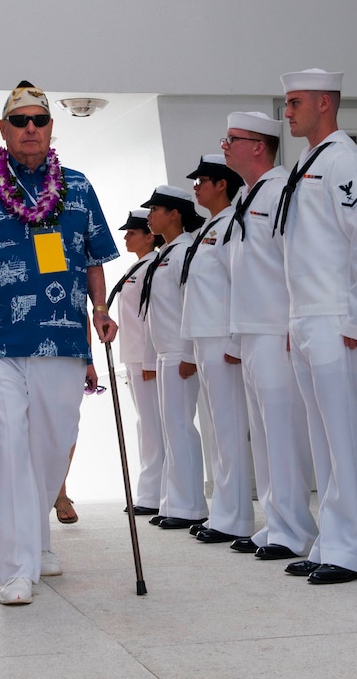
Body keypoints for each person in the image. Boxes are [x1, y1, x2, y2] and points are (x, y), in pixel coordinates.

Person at [0, 80, 119, 606]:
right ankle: (16, 568)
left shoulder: (78, 186)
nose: (31, 128)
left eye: (40, 119)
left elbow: (92, 261)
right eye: (20, 121)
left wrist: (101, 313)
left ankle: (37, 538)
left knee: (52, 444)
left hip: (62, 339)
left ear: (52, 128)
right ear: (3, 130)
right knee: (10, 446)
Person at [276, 68, 357, 585]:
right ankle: (332, 540)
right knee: (322, 438)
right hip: (307, 316)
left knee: (345, 436)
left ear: (323, 103)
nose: (287, 112)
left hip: (337, 317)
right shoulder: (307, 163)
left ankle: (354, 549)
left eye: (295, 103)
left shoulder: (343, 162)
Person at [222, 110, 318, 561]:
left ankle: (296, 529)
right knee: (262, 435)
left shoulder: (281, 190)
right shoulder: (248, 193)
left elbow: (297, 260)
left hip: (278, 328)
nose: (225, 146)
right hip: (251, 328)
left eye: (232, 139)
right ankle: (277, 521)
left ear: (258, 145)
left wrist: (292, 322)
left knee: (284, 434)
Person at [179, 154, 253, 545]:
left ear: (222, 184)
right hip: (204, 338)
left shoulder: (231, 226)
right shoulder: (211, 227)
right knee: (215, 432)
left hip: (222, 338)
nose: (196, 186)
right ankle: (224, 511)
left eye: (202, 180)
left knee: (228, 431)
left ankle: (236, 517)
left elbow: (239, 283)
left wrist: (234, 339)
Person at [139, 184, 208, 531]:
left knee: (181, 428)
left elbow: (190, 304)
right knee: (171, 431)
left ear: (175, 213)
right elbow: (155, 312)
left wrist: (191, 353)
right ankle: (174, 501)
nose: (150, 216)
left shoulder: (184, 252)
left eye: (156, 210)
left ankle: (191, 505)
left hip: (180, 352)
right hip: (165, 353)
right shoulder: (165, 254)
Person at [108, 209, 164, 515]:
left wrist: (148, 359)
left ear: (149, 235)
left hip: (147, 357)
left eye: (132, 232)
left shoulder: (151, 267)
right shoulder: (138, 267)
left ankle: (154, 495)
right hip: (134, 357)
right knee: (147, 426)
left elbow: (153, 317)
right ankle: (152, 493)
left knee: (154, 427)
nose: (127, 237)